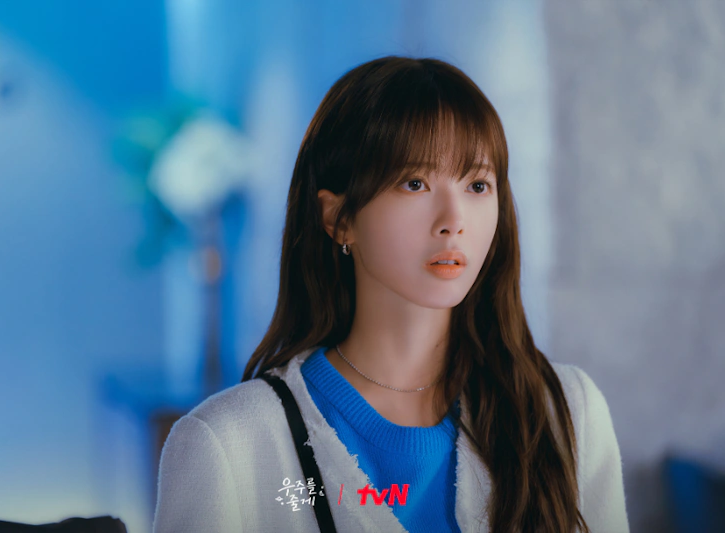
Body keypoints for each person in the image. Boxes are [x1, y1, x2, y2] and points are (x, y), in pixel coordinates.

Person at [152, 55, 630, 533]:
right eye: (415, 183)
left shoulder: (565, 415)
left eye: (477, 185)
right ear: (338, 218)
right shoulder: (227, 445)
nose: (454, 220)